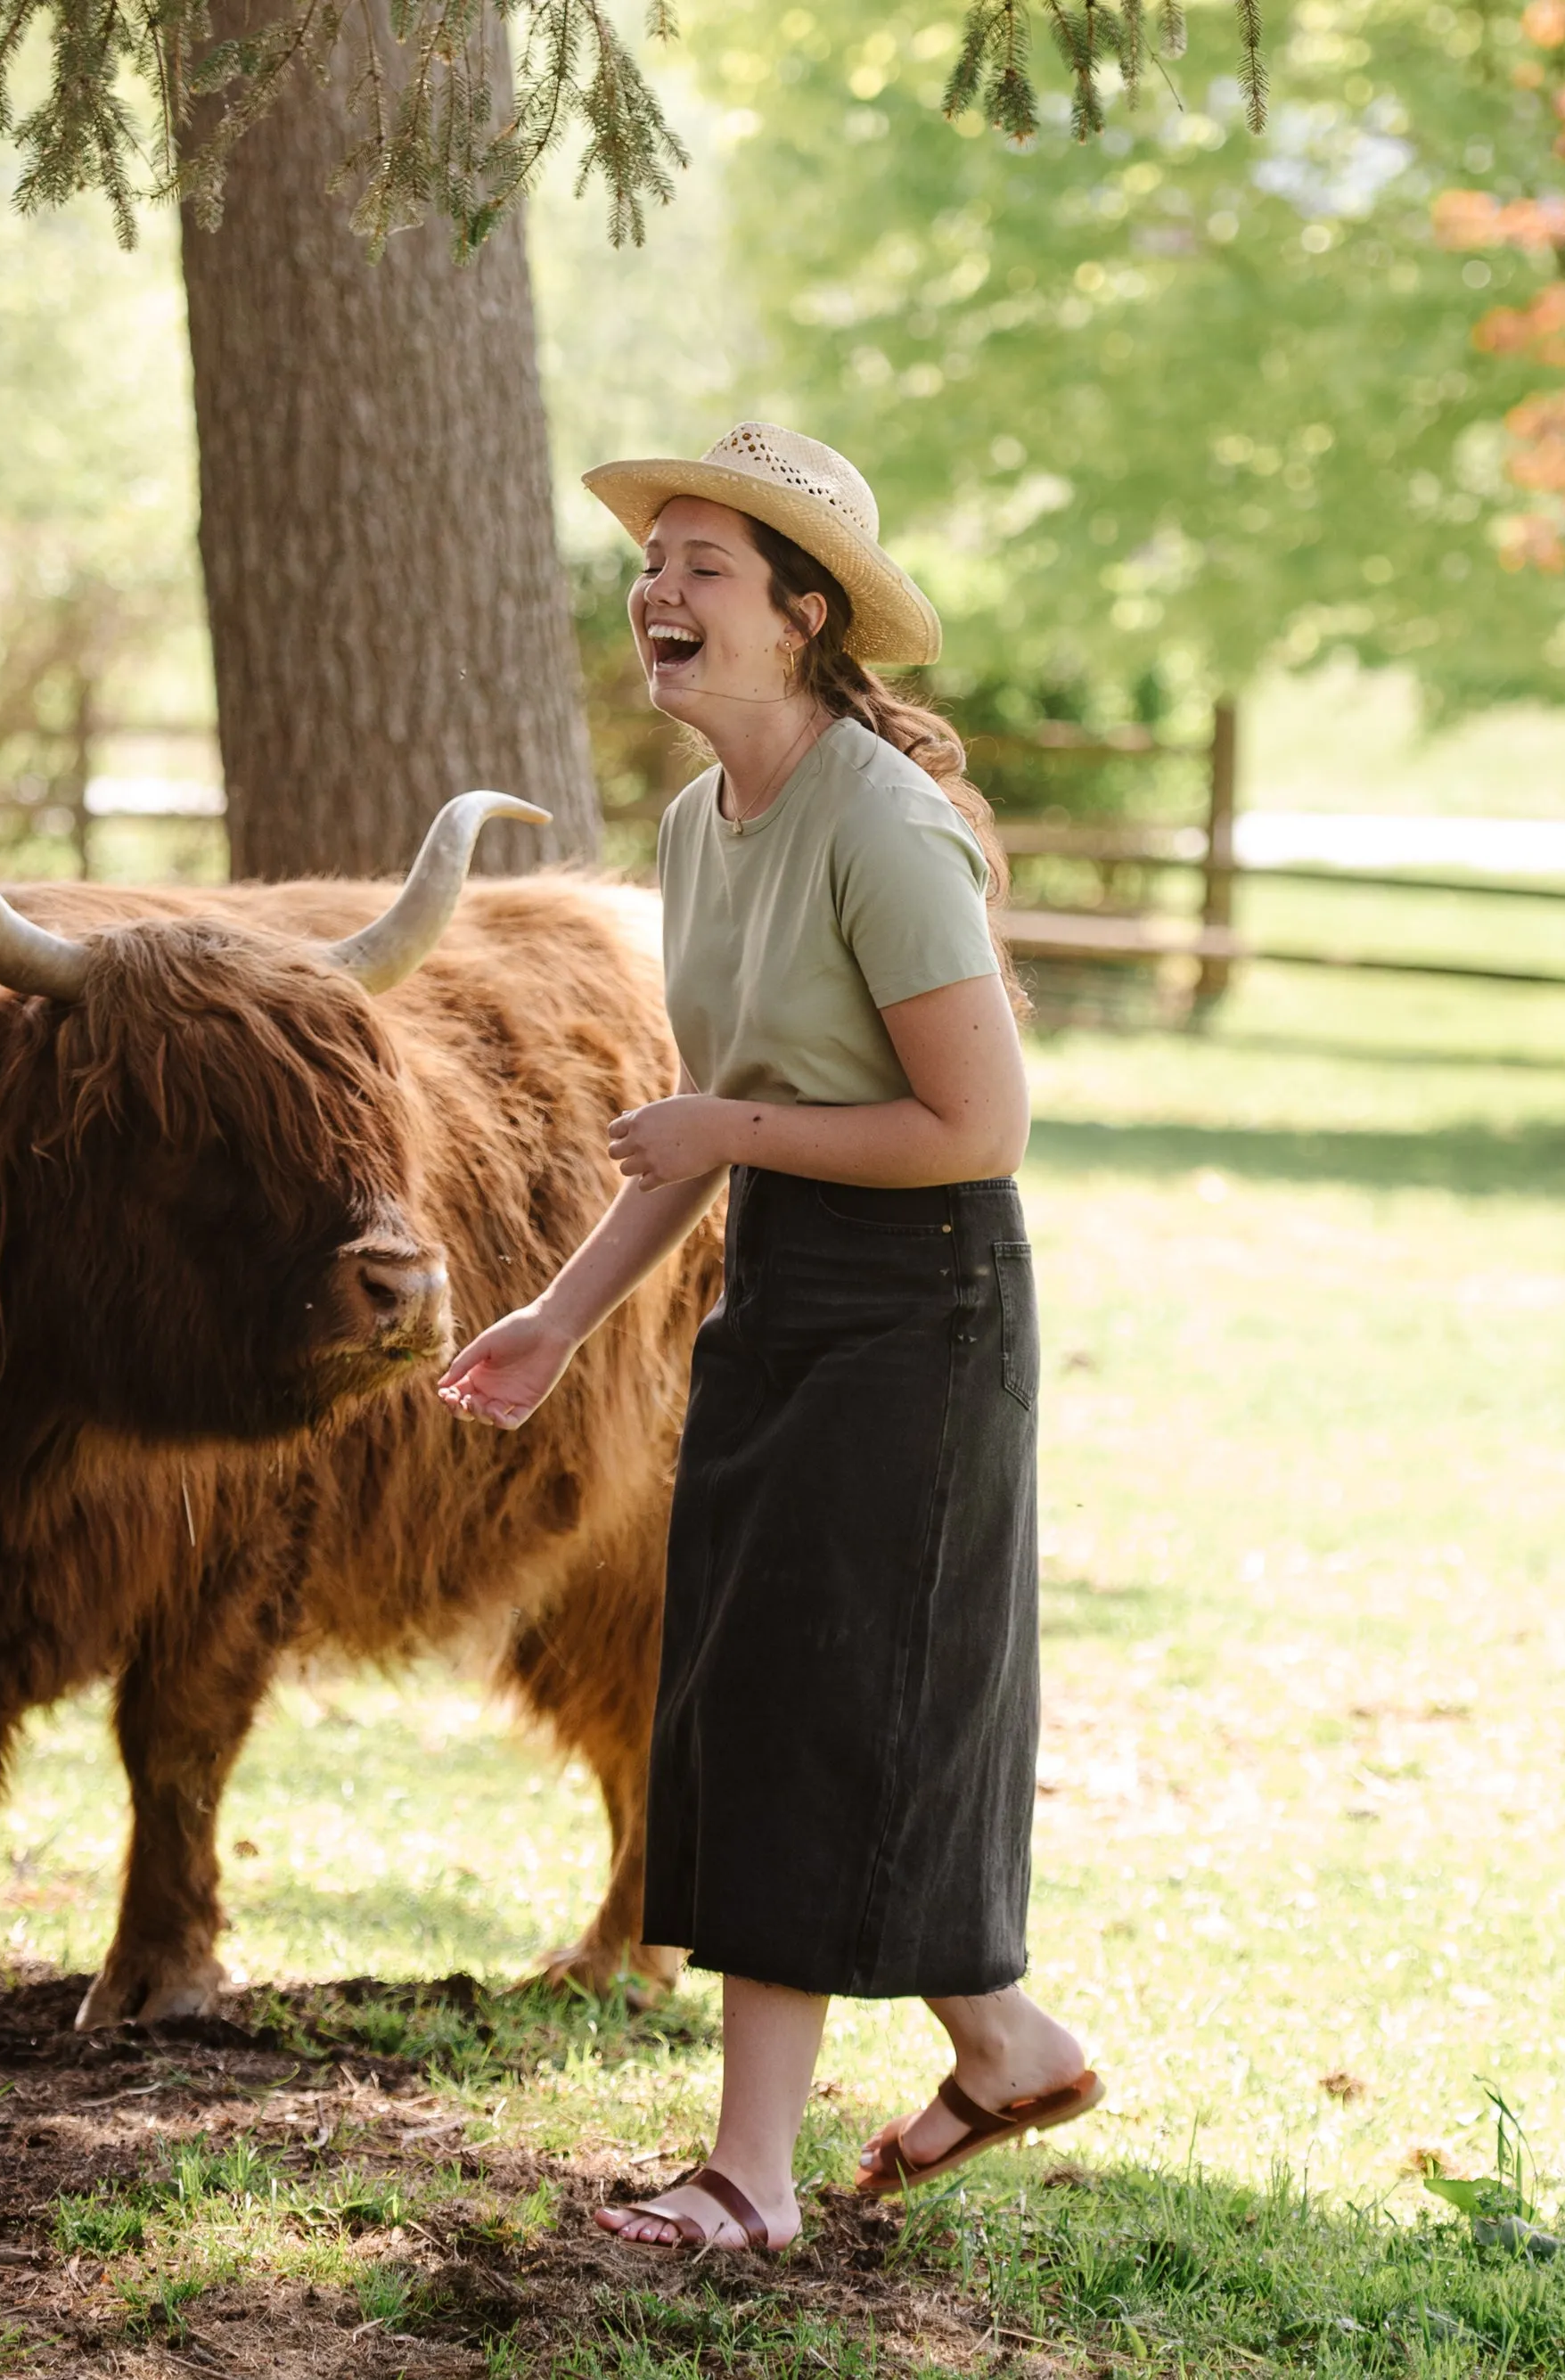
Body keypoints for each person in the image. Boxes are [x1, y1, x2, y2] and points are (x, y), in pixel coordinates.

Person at [436, 423, 1102, 2256]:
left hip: (919, 1303)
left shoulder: (881, 824)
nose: (657, 589)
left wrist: (728, 1140)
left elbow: (976, 1127)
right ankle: (1004, 2045)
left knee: (817, 1712)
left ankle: (749, 2179)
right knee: (746, 1704)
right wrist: (559, 1318)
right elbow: (707, 1112)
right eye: (652, 562)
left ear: (803, 615)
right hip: (778, 1283)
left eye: (705, 565)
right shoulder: (689, 825)